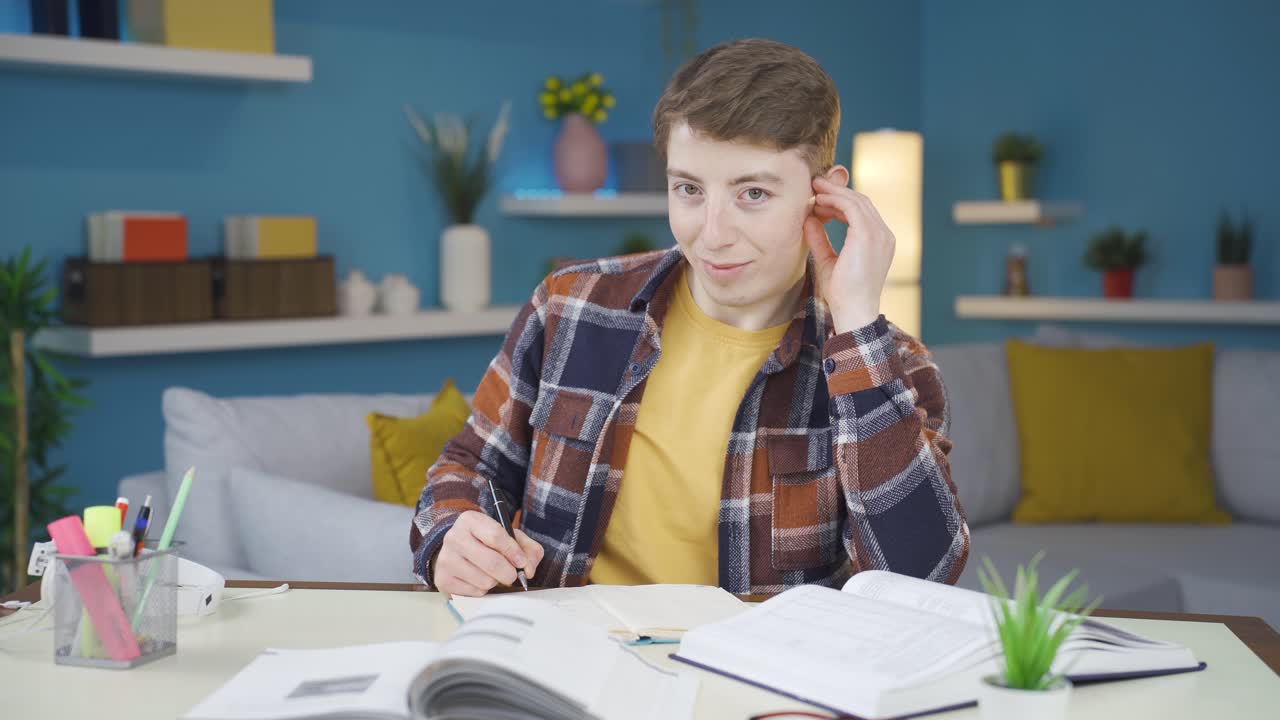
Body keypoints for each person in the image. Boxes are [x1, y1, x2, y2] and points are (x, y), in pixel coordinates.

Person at [411, 38, 969, 597]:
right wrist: (451, 535)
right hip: (565, 661)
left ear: (825, 195)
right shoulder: (570, 306)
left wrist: (854, 324)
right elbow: (466, 465)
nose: (713, 232)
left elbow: (920, 580)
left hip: (750, 678)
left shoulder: (890, 365)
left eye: (752, 193)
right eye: (689, 190)